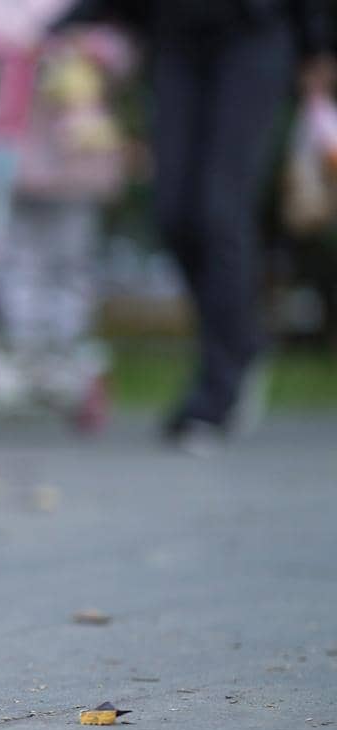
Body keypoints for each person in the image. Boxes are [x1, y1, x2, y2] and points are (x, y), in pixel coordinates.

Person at [57, 0, 335, 452]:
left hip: (254, 32)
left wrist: (317, 42)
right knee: (172, 211)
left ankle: (218, 388)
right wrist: (70, 21)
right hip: (175, 36)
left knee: (221, 211)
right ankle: (240, 341)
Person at [0, 0, 134, 434]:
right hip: (13, 145)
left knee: (70, 256)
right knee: (14, 253)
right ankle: (26, 343)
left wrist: (91, 49)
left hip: (75, 150)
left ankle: (63, 344)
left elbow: (121, 46)